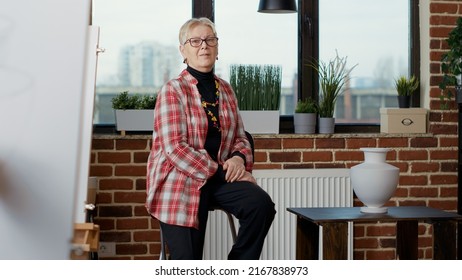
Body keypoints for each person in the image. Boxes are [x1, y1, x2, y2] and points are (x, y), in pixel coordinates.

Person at [146, 17, 276, 260]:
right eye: (195, 41)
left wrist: (238, 159)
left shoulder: (225, 89)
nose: (203, 45)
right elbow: (175, 148)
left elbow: (240, 136)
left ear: (217, 48)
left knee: (260, 205)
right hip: (181, 182)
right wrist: (221, 171)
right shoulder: (172, 90)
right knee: (188, 263)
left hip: (218, 180)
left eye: (210, 39)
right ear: (183, 51)